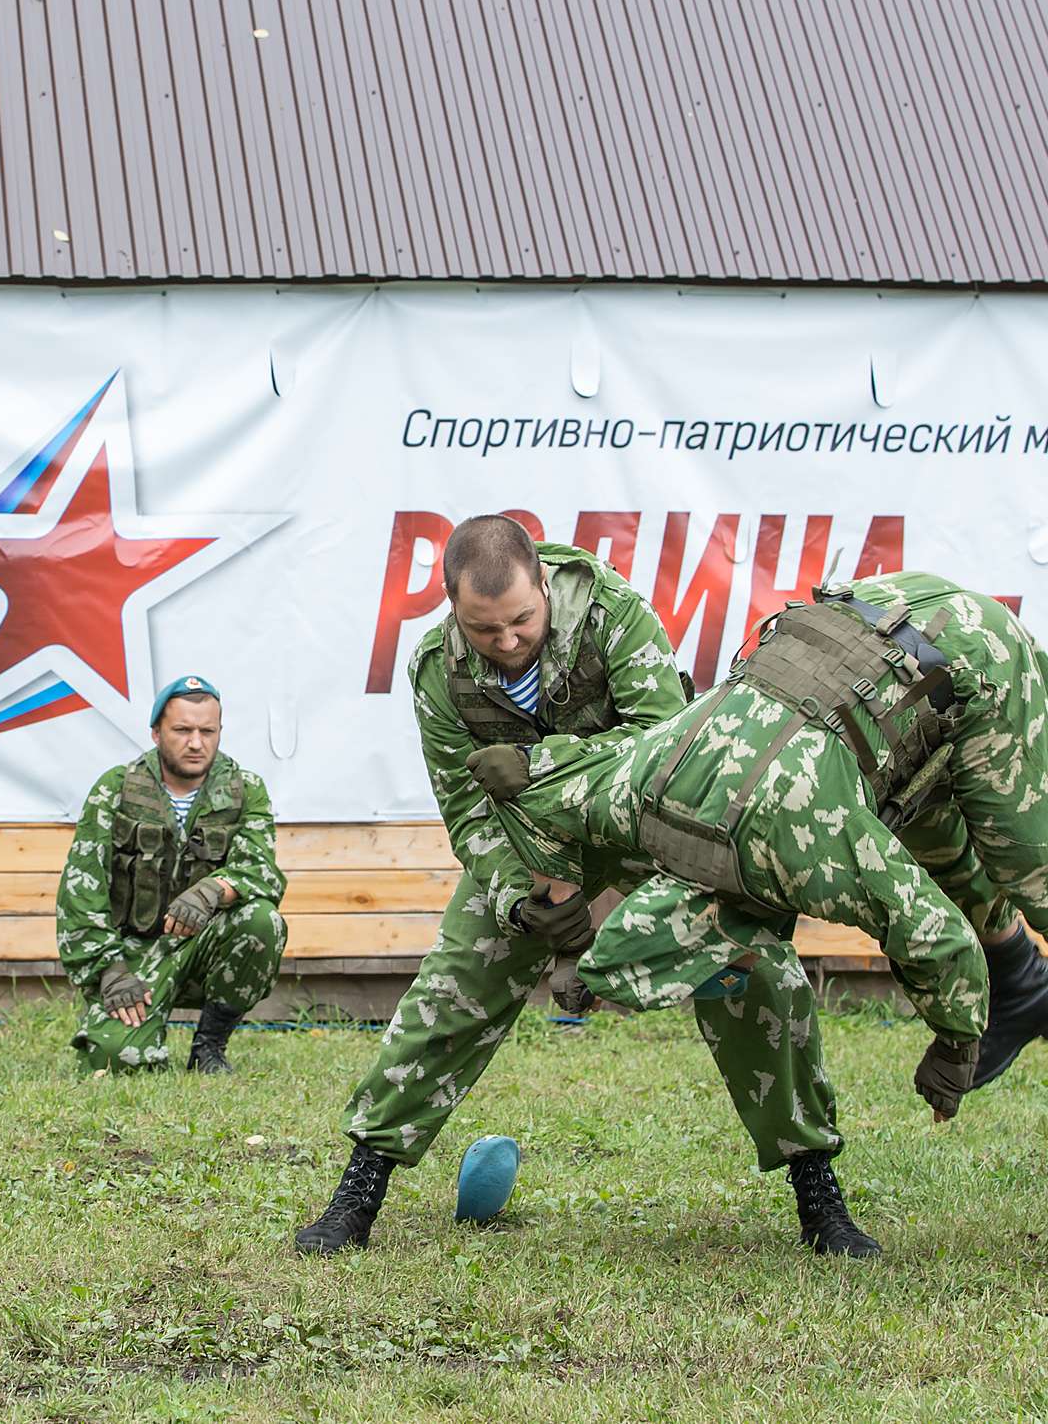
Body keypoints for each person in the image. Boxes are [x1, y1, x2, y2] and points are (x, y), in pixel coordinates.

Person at [300, 516, 937, 1260]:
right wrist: (522, 897)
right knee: (453, 987)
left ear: (542, 584)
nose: (507, 642)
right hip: (535, 849)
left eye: (520, 621)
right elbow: (467, 808)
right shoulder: (439, 670)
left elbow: (665, 748)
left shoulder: (613, 614)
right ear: (452, 610)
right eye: (485, 630)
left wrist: (543, 767)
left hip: (656, 827)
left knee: (759, 975)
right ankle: (359, 1190)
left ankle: (818, 1194)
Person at [470, 571, 1048, 1206]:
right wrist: (553, 892)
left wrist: (950, 1054)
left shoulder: (801, 847)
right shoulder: (639, 787)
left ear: (728, 923)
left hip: (969, 661)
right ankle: (1022, 987)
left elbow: (935, 938)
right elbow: (544, 779)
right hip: (873, 662)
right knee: (933, 847)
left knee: (1037, 864)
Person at [56, 676, 285, 1074]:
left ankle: (209, 1046)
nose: (196, 743)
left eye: (207, 731)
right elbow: (81, 891)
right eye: (182, 730)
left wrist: (215, 888)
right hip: (134, 954)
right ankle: (137, 1029)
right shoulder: (116, 789)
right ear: (156, 733)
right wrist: (109, 969)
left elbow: (261, 869)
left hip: (203, 951)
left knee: (263, 919)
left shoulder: (245, 789)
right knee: (116, 1058)